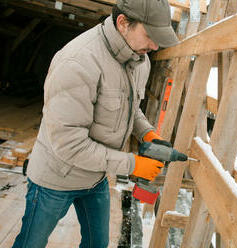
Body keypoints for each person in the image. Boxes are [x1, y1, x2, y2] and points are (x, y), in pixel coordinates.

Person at [12, 0, 178, 247]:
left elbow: (130, 110)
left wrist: (147, 134)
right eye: (149, 35)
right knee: (31, 244)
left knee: (97, 244)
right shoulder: (78, 61)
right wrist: (132, 164)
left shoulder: (140, 60)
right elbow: (70, 145)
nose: (154, 46)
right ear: (123, 23)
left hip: (96, 176)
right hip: (56, 177)